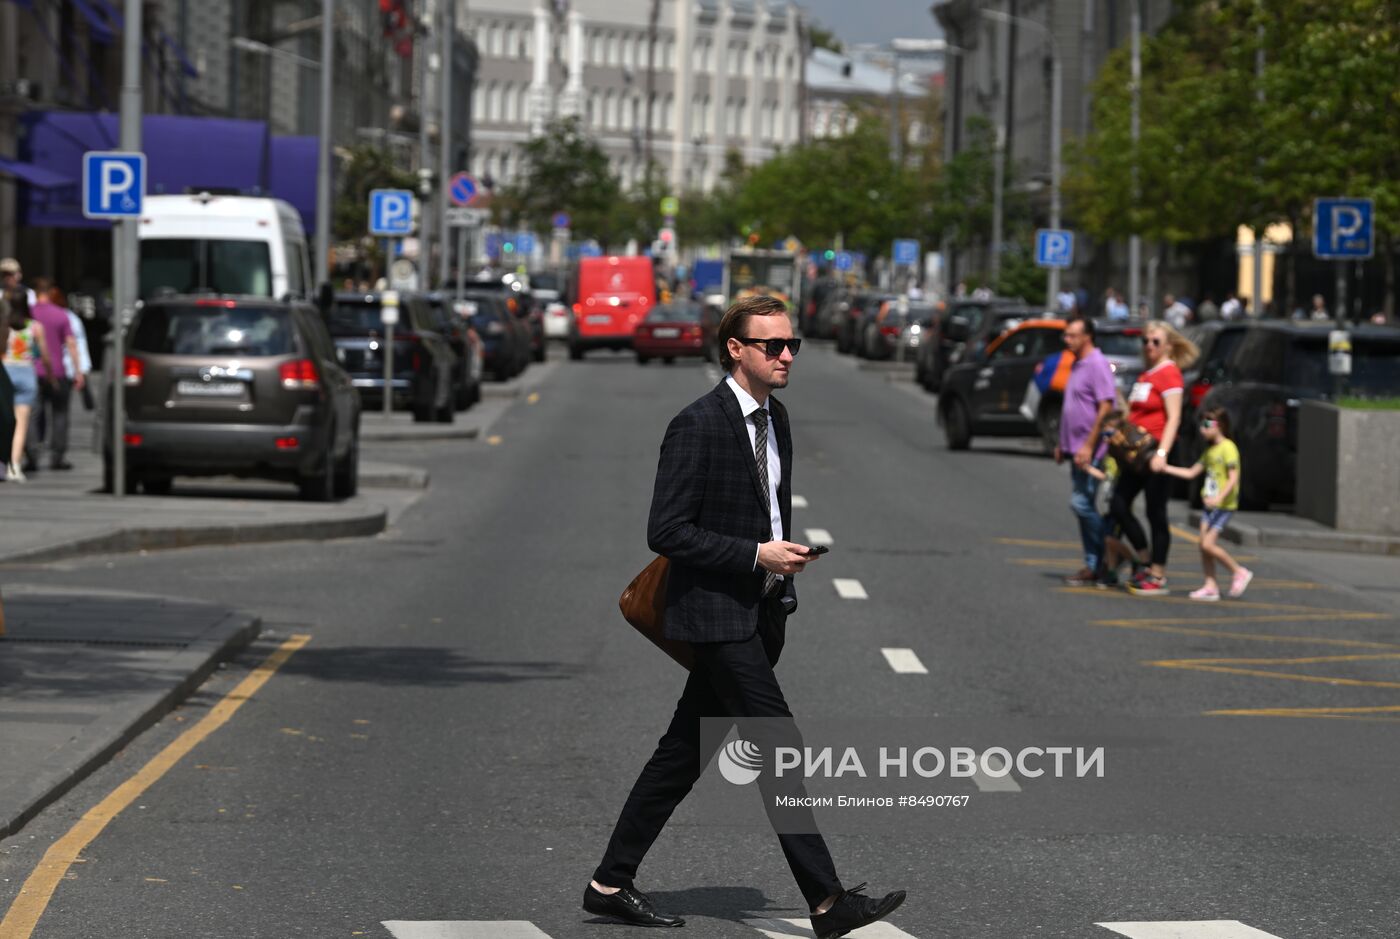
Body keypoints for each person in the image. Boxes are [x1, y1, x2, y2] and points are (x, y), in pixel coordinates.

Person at [587, 295, 906, 937]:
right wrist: (753, 553)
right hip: (713, 614)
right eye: (772, 346)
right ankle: (827, 902)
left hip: (759, 612)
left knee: (683, 752)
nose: (787, 355)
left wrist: (781, 559)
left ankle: (609, 882)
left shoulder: (777, 419)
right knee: (778, 745)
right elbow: (667, 531)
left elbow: (769, 508)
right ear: (736, 349)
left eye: (792, 345)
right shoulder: (697, 424)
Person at [1111, 320, 1198, 596]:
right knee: (1118, 505)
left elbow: (1174, 418)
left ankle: (1158, 573)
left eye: (1156, 342)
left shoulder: (1169, 374)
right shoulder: (1147, 374)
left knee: (1155, 511)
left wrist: (1162, 453)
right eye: (1146, 341)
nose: (1149, 346)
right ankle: (1144, 559)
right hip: (1135, 454)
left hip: (1155, 451)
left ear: (1169, 345)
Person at [1161, 407, 1253, 601]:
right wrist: (1166, 468)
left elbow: (1233, 478)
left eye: (1206, 425)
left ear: (1220, 426)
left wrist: (1220, 498)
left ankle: (1238, 571)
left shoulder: (1228, 447)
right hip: (1209, 505)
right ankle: (1210, 585)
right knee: (1203, 545)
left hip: (1222, 506)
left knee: (1208, 544)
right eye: (1201, 424)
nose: (1202, 429)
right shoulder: (1210, 451)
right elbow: (1191, 472)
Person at [1055, 316, 1120, 587]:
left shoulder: (1096, 364)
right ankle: (1095, 565)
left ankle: (1111, 553)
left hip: (1091, 451)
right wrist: (1062, 443)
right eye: (1066, 335)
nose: (1066, 340)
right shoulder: (1078, 363)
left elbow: (1106, 407)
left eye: (1072, 335)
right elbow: (1073, 406)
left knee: (1081, 503)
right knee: (1083, 506)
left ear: (1087, 337)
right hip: (1076, 449)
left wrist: (1089, 444)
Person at [26, 280, 84, 471]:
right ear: (50, 292)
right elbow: (71, 344)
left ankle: (32, 455)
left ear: (35, 292)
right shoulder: (61, 315)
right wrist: (78, 371)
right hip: (58, 372)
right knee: (60, 414)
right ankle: (57, 457)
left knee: (32, 415)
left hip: (32, 371)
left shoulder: (28, 313)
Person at [3, 294, 51, 481]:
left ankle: (5, 460)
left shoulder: (4, 325)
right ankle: (14, 466)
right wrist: (50, 375)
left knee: (4, 421)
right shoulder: (35, 327)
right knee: (21, 423)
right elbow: (45, 356)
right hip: (26, 373)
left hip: (5, 372)